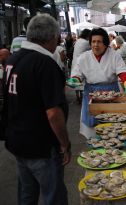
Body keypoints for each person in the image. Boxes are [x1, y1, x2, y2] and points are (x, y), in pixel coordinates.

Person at [3, 14, 70, 205]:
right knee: (53, 197)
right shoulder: (45, 64)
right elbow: (53, 112)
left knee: (27, 194)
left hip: (18, 141)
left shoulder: (12, 59)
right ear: (52, 37)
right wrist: (64, 143)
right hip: (41, 145)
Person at [67, 28, 126, 138]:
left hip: (112, 93)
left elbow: (122, 72)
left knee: (112, 125)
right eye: (93, 42)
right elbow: (77, 74)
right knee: (92, 128)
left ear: (105, 43)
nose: (96, 45)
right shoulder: (84, 57)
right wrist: (74, 80)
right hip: (91, 94)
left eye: (99, 42)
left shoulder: (114, 55)